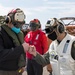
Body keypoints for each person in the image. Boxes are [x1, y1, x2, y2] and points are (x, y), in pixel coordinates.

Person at [0, 8, 30, 75]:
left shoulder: (19, 34)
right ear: (8, 20)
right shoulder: (1, 33)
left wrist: (22, 65)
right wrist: (21, 48)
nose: (18, 27)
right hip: (4, 71)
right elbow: (1, 54)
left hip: (18, 70)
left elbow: (20, 52)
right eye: (16, 24)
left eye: (20, 25)